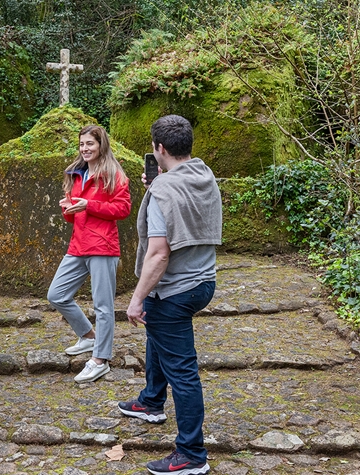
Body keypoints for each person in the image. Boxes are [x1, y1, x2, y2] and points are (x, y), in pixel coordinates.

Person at [119, 115, 220, 475]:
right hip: (203, 282)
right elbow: (185, 202)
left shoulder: (163, 192)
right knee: (157, 332)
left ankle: (192, 454)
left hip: (175, 289)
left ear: (159, 149)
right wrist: (161, 182)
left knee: (184, 371)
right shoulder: (203, 176)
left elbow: (159, 253)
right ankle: (151, 401)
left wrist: (136, 298)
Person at [46, 125, 131, 384]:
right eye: (82, 144)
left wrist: (89, 205)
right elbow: (73, 216)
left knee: (103, 306)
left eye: (90, 144)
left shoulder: (114, 174)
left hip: (103, 246)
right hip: (79, 244)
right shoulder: (77, 173)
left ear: (101, 145)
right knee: (57, 294)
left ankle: (100, 359)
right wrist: (68, 208)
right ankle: (88, 336)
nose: (85, 148)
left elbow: (123, 208)